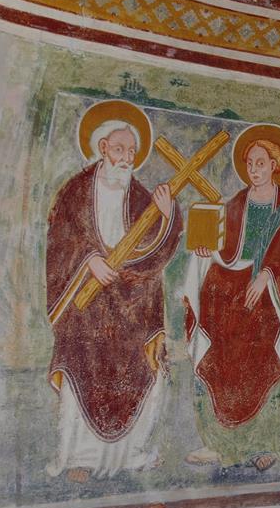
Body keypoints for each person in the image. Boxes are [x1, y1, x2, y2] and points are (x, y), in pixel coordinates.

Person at [46, 100, 182, 482]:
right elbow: (60, 242)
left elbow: (156, 254)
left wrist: (168, 215)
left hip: (132, 305)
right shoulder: (75, 192)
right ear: (103, 148)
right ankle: (78, 457)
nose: (126, 158)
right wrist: (88, 260)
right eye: (119, 149)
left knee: (145, 366)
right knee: (81, 367)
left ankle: (132, 454)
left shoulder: (140, 197)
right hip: (86, 303)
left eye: (132, 151)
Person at [182, 126, 280, 472]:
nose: (254, 169)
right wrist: (205, 252)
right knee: (220, 362)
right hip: (230, 302)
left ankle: (267, 443)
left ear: (275, 165)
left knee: (266, 364)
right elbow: (222, 251)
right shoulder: (234, 205)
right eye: (250, 163)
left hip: (268, 306)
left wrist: (267, 275)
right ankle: (218, 443)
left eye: (260, 163)